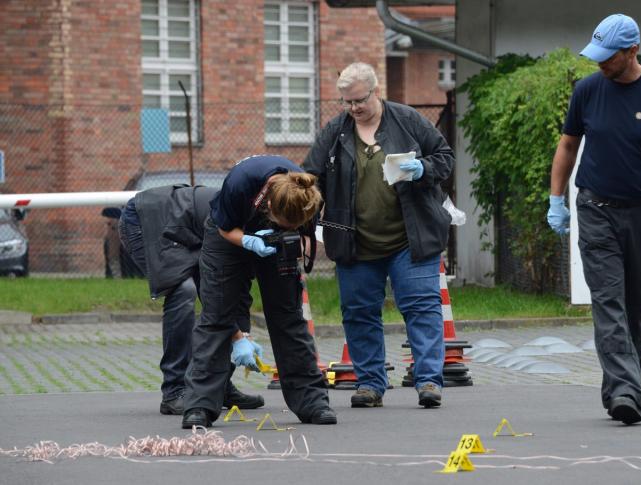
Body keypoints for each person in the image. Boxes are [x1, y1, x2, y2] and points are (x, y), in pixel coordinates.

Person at [547, 14, 641, 425]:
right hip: (595, 209)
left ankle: (620, 387)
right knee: (608, 301)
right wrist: (555, 199)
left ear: (631, 51)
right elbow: (567, 147)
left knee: (636, 306)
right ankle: (628, 393)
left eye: (607, 56)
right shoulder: (587, 90)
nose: (598, 63)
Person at [305, 62, 454, 409]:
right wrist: (304, 225)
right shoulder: (335, 132)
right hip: (355, 242)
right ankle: (371, 383)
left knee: (421, 307)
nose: (354, 108)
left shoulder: (407, 120)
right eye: (347, 102)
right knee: (358, 312)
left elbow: (445, 158)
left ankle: (429, 380)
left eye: (359, 100)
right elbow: (311, 179)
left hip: (410, 238)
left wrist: (424, 169)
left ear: (375, 91)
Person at [181, 155, 336, 428]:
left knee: (288, 317)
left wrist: (292, 241)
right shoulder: (241, 182)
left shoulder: (307, 196)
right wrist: (250, 241)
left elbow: (306, 245)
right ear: (269, 207)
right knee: (217, 316)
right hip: (228, 236)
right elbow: (225, 229)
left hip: (275, 243)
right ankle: (200, 405)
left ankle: (312, 401)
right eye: (280, 222)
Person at [118, 184, 264, 415]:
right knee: (183, 291)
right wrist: (237, 337)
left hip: (187, 231)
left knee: (233, 292)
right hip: (147, 220)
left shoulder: (254, 234)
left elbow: (238, 295)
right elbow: (211, 292)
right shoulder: (230, 227)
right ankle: (174, 391)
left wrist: (243, 338)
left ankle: (219, 386)